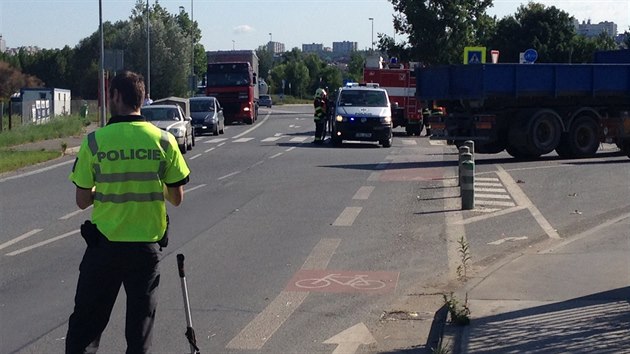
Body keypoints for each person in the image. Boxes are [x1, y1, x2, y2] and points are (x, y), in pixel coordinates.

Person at [66, 71, 190, 354]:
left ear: (117, 96)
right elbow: (177, 198)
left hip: (104, 248)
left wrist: (104, 192)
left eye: (109, 95)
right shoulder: (164, 140)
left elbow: (82, 200)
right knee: (139, 329)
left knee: (85, 327)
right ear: (142, 99)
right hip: (145, 249)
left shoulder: (95, 141)